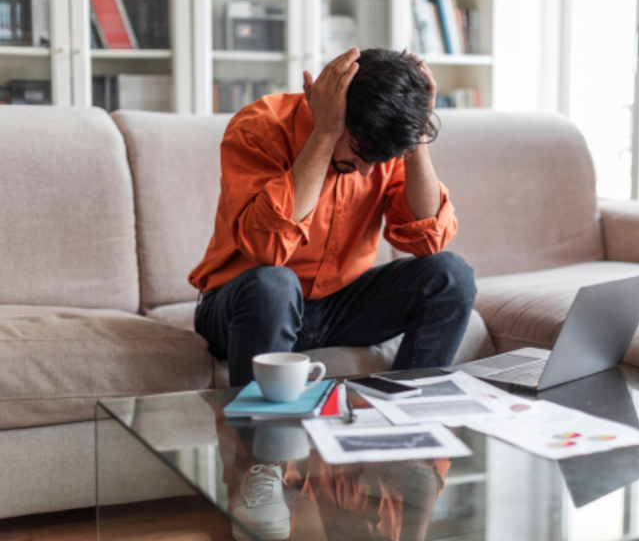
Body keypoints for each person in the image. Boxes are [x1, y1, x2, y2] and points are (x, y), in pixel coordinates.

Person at [190, 47, 476, 387]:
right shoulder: (260, 126)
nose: (368, 171)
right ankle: (258, 435)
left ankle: (406, 409)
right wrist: (323, 132)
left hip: (339, 306)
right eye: (359, 155)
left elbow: (426, 241)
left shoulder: (380, 139)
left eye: (380, 160)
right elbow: (268, 251)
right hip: (247, 306)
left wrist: (416, 132)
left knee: (452, 275)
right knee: (275, 285)